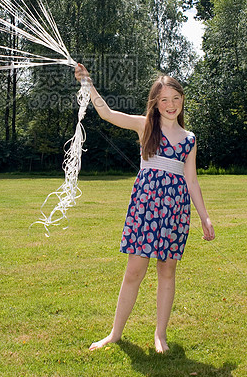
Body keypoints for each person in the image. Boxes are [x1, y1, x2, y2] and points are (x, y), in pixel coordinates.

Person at [74, 63, 215, 353]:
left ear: (183, 100)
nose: (170, 104)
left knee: (167, 271)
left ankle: (160, 335)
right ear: (155, 103)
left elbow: (191, 179)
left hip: (175, 210)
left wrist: (204, 217)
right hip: (146, 206)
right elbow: (107, 113)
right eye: (164, 99)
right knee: (134, 271)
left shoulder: (189, 139)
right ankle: (115, 334)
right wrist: (87, 83)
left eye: (175, 98)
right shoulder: (145, 126)